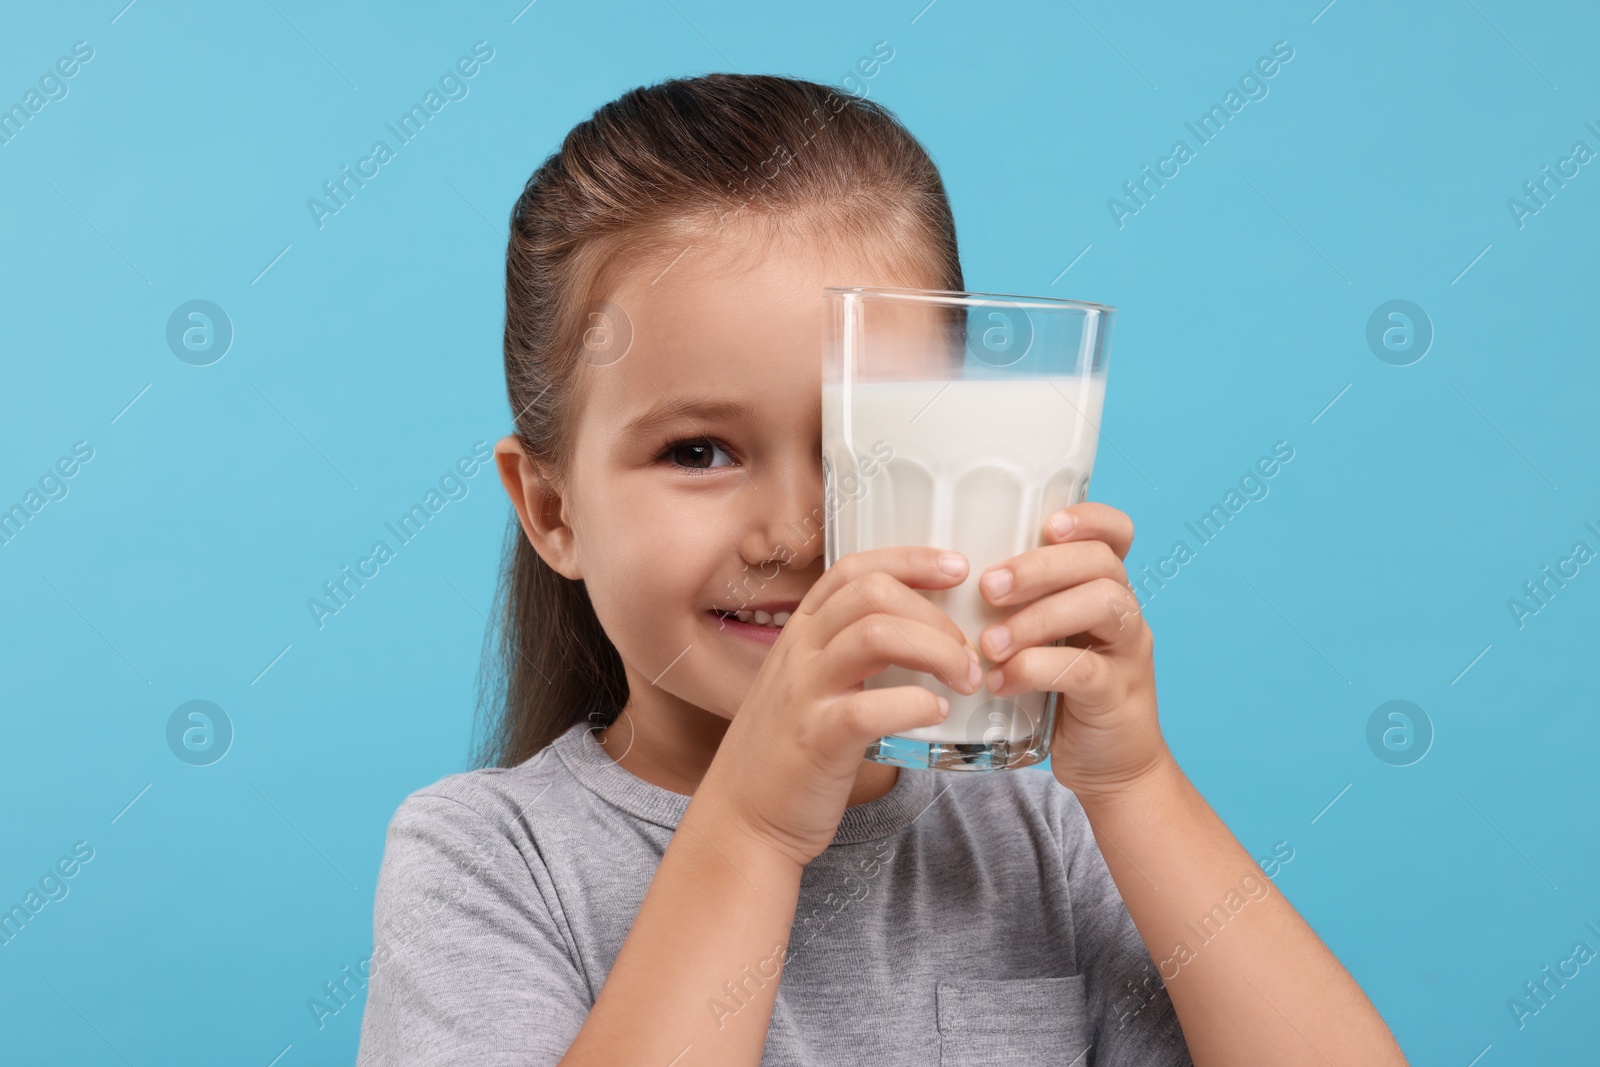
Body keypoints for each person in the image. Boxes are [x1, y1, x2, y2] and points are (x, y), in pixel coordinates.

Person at [355, 72, 1406, 1066]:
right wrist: (755, 825)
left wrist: (1136, 784)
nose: (791, 531)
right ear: (552, 508)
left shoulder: (1040, 839)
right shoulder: (487, 859)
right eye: (697, 452)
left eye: (861, 444)